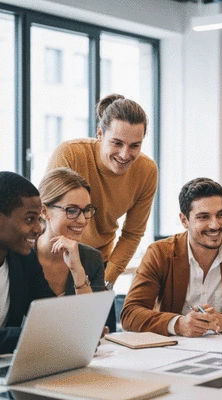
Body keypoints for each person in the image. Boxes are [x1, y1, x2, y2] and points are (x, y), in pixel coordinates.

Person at [46, 94, 158, 331]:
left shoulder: (147, 171)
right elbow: (45, 213)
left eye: (134, 145)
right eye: (117, 143)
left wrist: (106, 278)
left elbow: (132, 234)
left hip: (99, 263)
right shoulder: (71, 154)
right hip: (57, 258)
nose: (125, 154)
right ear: (100, 134)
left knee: (100, 343)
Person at [121, 177, 222, 337]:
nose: (215, 225)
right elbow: (130, 314)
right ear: (184, 220)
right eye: (203, 217)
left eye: (220, 214)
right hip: (173, 352)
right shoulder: (160, 253)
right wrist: (178, 324)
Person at [0, 172, 55, 354]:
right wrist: (38, 337)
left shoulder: (24, 259)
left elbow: (49, 310)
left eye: (39, 219)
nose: (39, 229)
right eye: (29, 219)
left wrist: (75, 331)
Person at [37, 167, 104, 296]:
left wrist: (78, 271)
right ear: (44, 211)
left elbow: (92, 315)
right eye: (71, 210)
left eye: (86, 210)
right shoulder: (19, 256)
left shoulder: (92, 259)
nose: (82, 220)